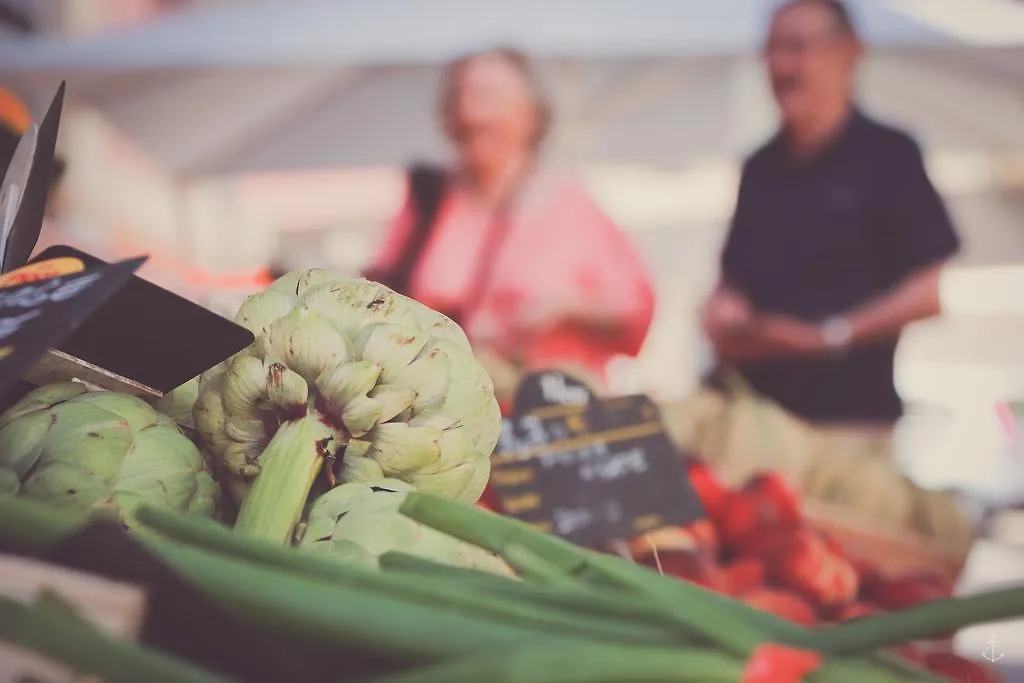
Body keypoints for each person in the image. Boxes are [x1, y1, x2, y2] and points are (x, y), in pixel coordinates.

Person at [701, 0, 959, 431]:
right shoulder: (760, 167)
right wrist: (725, 313)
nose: (783, 66)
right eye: (773, 49)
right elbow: (733, 281)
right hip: (757, 416)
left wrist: (828, 336)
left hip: (851, 423)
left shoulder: (889, 155)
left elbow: (927, 294)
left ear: (849, 52)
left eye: (798, 47)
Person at [364, 47, 655, 401]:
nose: (472, 113)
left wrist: (567, 306)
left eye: (490, 97)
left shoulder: (570, 203)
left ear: (531, 114)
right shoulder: (427, 200)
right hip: (440, 411)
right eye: (461, 97)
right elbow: (377, 297)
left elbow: (637, 311)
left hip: (549, 414)